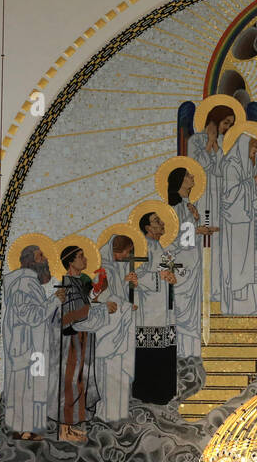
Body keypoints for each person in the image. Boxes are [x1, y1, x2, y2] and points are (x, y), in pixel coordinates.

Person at [53, 246, 111, 442]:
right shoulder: (67, 285)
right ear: (70, 262)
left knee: (82, 380)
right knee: (71, 381)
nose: (84, 259)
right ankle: (67, 431)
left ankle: (76, 427)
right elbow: (74, 314)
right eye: (80, 256)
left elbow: (85, 306)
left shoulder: (79, 282)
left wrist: (99, 294)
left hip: (83, 338)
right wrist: (103, 309)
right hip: (72, 340)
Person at [1, 244, 55, 438]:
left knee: (36, 386)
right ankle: (21, 430)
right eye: (41, 256)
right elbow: (32, 316)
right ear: (30, 261)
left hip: (36, 347)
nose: (46, 259)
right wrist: (55, 300)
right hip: (25, 347)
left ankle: (32, 429)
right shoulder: (22, 283)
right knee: (24, 387)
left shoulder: (31, 283)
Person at [167, 166, 218, 358]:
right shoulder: (175, 208)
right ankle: (182, 354)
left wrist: (197, 221)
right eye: (188, 176)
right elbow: (174, 238)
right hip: (183, 266)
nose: (192, 177)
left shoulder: (188, 205)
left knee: (192, 311)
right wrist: (198, 230)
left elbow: (187, 233)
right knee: (183, 310)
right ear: (180, 181)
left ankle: (191, 353)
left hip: (192, 262)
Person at [218, 132, 257, 314]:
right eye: (253, 149)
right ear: (244, 147)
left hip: (247, 222)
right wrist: (251, 183)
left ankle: (249, 305)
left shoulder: (248, 165)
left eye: (256, 149)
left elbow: (251, 191)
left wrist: (254, 183)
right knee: (236, 264)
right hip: (234, 224)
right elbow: (227, 196)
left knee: (247, 264)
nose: (254, 153)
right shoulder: (230, 166)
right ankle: (234, 305)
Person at [187, 105, 234, 304]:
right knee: (197, 244)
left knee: (217, 246)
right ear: (214, 120)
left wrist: (217, 144)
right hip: (201, 197)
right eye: (225, 123)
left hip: (219, 200)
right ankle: (196, 292)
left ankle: (215, 292)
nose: (226, 128)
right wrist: (209, 142)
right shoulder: (195, 140)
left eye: (230, 125)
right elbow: (196, 166)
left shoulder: (225, 142)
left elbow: (225, 171)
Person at [132, 212, 179, 405]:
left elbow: (174, 270)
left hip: (165, 310)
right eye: (156, 221)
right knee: (150, 352)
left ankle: (164, 392)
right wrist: (160, 278)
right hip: (149, 311)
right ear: (147, 228)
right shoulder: (141, 247)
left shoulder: (162, 249)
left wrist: (173, 277)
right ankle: (148, 394)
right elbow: (135, 276)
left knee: (166, 349)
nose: (161, 223)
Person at [93, 234, 138, 422]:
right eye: (126, 252)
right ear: (117, 251)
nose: (128, 256)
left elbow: (115, 292)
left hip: (119, 327)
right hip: (109, 330)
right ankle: (108, 414)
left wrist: (126, 281)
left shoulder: (112, 268)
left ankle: (119, 413)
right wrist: (126, 307)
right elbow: (100, 296)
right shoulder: (103, 269)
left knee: (119, 371)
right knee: (110, 371)